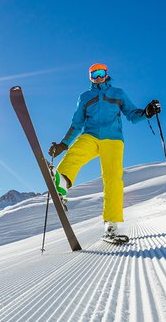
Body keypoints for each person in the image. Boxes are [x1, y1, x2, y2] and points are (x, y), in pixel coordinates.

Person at [48, 63, 160, 240]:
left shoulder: (118, 93)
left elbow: (132, 114)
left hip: (113, 140)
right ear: (90, 77)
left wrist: (146, 112)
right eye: (94, 74)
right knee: (75, 154)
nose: (98, 77)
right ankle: (61, 186)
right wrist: (63, 144)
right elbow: (77, 124)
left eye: (101, 73)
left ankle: (111, 226)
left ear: (107, 74)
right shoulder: (85, 97)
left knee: (113, 179)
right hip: (91, 135)